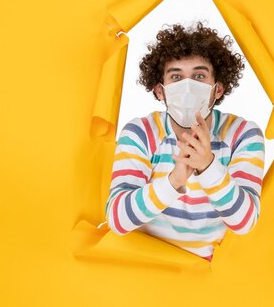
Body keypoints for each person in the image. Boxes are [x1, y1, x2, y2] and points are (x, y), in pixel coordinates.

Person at [105, 22, 265, 262]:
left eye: (199, 76)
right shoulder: (140, 133)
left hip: (210, 279)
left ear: (217, 89)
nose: (188, 88)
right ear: (160, 91)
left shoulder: (243, 135)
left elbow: (244, 222)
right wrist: (174, 181)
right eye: (176, 77)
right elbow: (117, 220)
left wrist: (209, 166)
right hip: (147, 268)